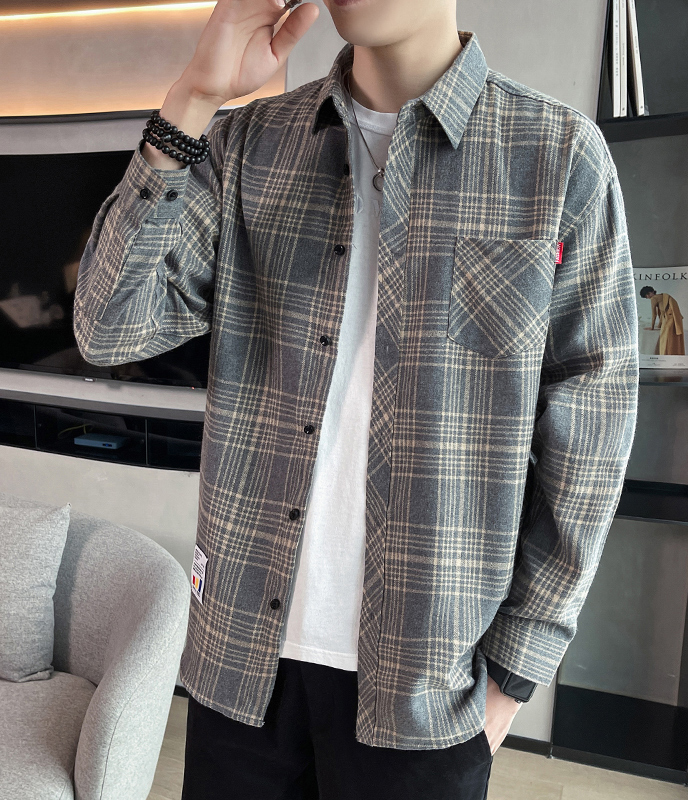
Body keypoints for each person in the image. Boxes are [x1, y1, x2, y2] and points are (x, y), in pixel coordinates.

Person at [73, 0, 639, 797]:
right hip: (240, 664)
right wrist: (193, 99)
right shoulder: (246, 146)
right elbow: (106, 325)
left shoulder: (556, 156)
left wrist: (514, 674)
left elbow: (594, 435)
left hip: (427, 691)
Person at [641, 285, 685, 356]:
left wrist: (652, 327)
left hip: (668, 320)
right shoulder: (664, 296)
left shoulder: (654, 298)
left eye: (648, 294)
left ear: (651, 292)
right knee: (673, 339)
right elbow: (662, 312)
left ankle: (665, 356)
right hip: (674, 319)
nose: (648, 296)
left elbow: (654, 314)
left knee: (665, 340)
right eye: (646, 296)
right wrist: (659, 325)